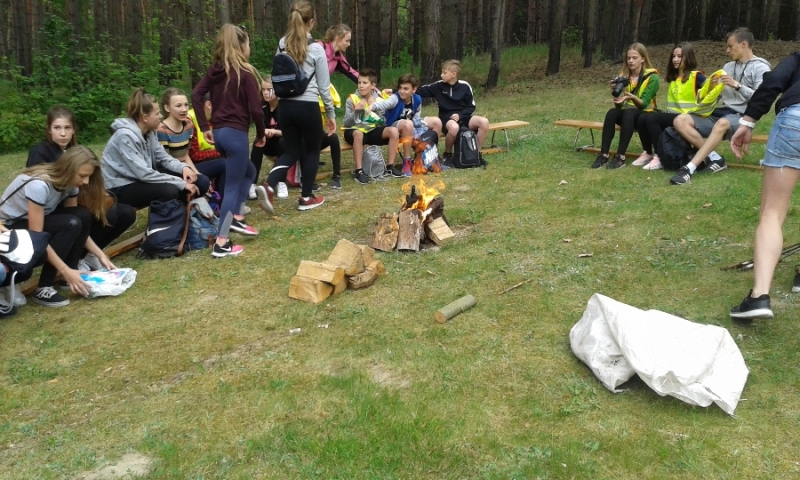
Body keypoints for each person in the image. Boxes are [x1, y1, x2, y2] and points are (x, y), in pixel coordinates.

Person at [729, 52, 800, 320]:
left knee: (772, 212)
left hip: (794, 121)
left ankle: (759, 297)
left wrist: (748, 121)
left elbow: (773, 81)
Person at [0, 146, 116, 307]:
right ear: (68, 169)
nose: (86, 182)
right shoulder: (39, 185)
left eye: (88, 176)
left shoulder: (71, 184)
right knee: (70, 223)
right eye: (82, 176)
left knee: (81, 216)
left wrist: (100, 254)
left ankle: (71, 275)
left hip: (31, 226)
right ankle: (44, 287)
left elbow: (79, 226)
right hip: (7, 228)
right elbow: (37, 238)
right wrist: (64, 269)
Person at [25, 105, 137, 272]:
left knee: (126, 212)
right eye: (57, 128)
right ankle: (75, 259)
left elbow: (88, 181)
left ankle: (89, 254)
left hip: (76, 200)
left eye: (67, 128)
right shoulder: (39, 152)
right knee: (103, 215)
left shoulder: (75, 150)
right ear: (48, 129)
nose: (63, 133)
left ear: (73, 130)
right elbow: (36, 187)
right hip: (51, 208)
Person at [192, 24, 265, 257]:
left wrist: (205, 127)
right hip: (236, 136)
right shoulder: (245, 73)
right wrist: (261, 134)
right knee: (233, 186)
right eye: (248, 44)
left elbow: (196, 94)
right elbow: (256, 109)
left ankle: (237, 217)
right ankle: (222, 242)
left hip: (220, 135)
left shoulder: (214, 72)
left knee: (249, 171)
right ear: (242, 47)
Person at [257, 0, 336, 213]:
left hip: (285, 107)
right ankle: (306, 197)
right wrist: (330, 114)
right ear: (311, 22)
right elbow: (324, 87)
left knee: (291, 150)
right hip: (307, 106)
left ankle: (269, 184)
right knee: (311, 151)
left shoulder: (283, 44)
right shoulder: (317, 49)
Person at [670, 28, 771, 185]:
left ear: (744, 44)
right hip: (721, 113)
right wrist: (710, 88)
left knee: (722, 123)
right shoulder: (727, 67)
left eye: (730, 46)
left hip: (743, 118)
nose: (727, 50)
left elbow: (762, 99)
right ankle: (715, 158)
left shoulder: (761, 68)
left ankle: (689, 168)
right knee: (680, 120)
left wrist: (738, 86)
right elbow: (713, 98)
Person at [102, 88, 204, 209]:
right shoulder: (125, 136)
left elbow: (164, 157)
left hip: (140, 179)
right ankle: (167, 219)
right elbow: (144, 174)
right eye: (157, 113)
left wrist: (184, 168)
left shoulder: (150, 132)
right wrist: (181, 183)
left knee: (200, 181)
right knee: (169, 190)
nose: (160, 116)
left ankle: (184, 215)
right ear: (145, 117)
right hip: (119, 185)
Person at [250, 76, 343, 193]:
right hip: (273, 143)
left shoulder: (285, 106)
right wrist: (263, 132)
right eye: (263, 90)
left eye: (269, 89)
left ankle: (283, 182)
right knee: (258, 141)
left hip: (287, 142)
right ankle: (252, 184)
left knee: (289, 141)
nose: (265, 93)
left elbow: (294, 131)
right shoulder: (262, 107)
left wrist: (275, 132)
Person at [634, 43, 715, 171]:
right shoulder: (674, 77)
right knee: (643, 117)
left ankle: (660, 156)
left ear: (688, 57)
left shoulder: (696, 76)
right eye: (673, 56)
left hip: (688, 118)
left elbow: (713, 92)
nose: (675, 59)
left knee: (652, 119)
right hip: (673, 115)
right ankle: (648, 152)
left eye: (680, 56)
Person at [589, 43, 659, 170]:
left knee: (629, 113)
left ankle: (620, 157)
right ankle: (603, 155)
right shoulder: (624, 77)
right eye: (628, 58)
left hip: (646, 115)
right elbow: (620, 106)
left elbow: (644, 104)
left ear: (643, 59)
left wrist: (631, 97)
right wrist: (617, 96)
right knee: (612, 113)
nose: (630, 61)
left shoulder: (652, 77)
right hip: (629, 116)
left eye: (634, 58)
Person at [417, 59, 490, 165]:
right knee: (454, 128)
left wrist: (460, 115)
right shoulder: (438, 86)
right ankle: (448, 154)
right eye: (442, 72)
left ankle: (476, 154)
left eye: (444, 73)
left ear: (454, 74)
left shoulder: (464, 86)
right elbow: (419, 91)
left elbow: (471, 106)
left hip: (463, 116)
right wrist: (396, 92)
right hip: (446, 118)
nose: (441, 75)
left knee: (484, 122)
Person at [342, 68, 400, 184]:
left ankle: (390, 167)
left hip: (372, 131)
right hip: (354, 132)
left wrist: (375, 108)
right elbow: (346, 123)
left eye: (365, 83)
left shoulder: (378, 99)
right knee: (358, 133)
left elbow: (383, 122)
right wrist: (356, 111)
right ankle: (359, 171)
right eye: (359, 82)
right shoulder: (352, 99)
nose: (361, 86)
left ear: (373, 85)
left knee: (393, 131)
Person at [369, 73, 423, 177]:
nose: (402, 91)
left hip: (409, 126)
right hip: (393, 125)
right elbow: (385, 104)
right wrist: (372, 106)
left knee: (435, 122)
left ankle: (429, 159)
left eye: (406, 89)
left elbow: (417, 115)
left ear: (414, 89)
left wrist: (418, 125)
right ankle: (407, 162)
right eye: (400, 88)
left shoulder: (417, 99)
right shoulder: (395, 98)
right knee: (408, 124)